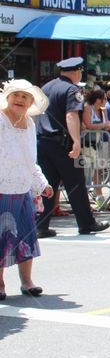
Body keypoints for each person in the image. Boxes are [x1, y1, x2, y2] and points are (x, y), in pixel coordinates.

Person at [35, 58, 110, 238]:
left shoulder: (46, 88)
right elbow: (71, 116)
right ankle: (86, 223)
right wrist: (76, 141)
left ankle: (40, 226)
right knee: (76, 183)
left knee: (48, 185)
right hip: (62, 143)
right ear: (76, 72)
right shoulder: (72, 89)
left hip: (43, 142)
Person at [0, 80, 55, 299]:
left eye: (25, 97)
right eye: (16, 95)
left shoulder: (30, 124)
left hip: (22, 188)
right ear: (8, 97)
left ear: (31, 101)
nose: (20, 100)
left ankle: (27, 282)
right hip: (2, 187)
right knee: (1, 237)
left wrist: (41, 183)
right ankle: (0, 284)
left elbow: (30, 160)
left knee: (26, 237)